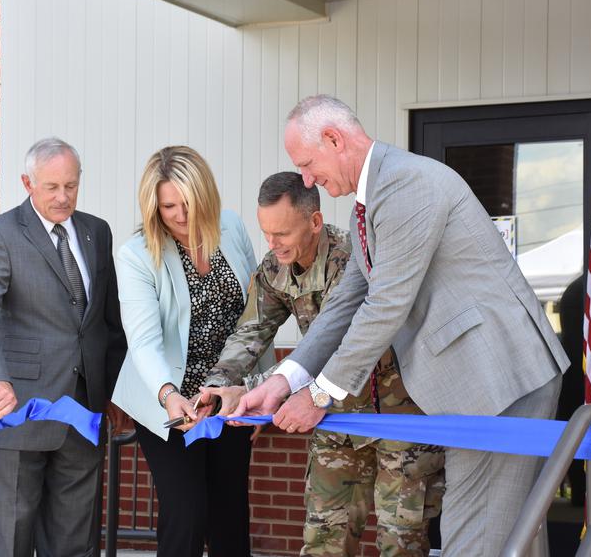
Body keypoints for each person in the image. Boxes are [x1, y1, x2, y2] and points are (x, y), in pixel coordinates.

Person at [233, 95, 570, 556]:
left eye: (308, 164)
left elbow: (385, 305)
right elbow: (347, 303)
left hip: (499, 380)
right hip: (478, 386)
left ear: (334, 138)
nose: (307, 178)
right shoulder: (371, 202)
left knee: (476, 539)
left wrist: (317, 395)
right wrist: (282, 380)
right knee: (507, 536)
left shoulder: (405, 184)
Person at [201, 171, 445, 556]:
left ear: (314, 221)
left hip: (399, 419)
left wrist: (250, 391)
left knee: (401, 542)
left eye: (281, 233)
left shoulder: (353, 261)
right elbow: (251, 331)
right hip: (333, 420)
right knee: (324, 542)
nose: (272, 244)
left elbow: (336, 345)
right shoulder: (274, 268)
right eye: (266, 233)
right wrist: (219, 385)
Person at [0, 137, 128, 557]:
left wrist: (117, 391)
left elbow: (108, 320)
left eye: (71, 185)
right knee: (11, 536)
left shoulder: (96, 231)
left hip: (84, 406)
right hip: (19, 406)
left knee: (75, 536)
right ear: (27, 183)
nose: (63, 196)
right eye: (51, 187)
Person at [110, 145, 273, 557]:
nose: (180, 216)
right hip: (169, 398)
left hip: (227, 397)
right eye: (168, 207)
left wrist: (260, 391)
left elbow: (258, 313)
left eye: (188, 203)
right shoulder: (136, 256)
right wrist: (169, 394)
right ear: (154, 207)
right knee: (187, 511)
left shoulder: (231, 227)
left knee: (229, 511)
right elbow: (143, 342)